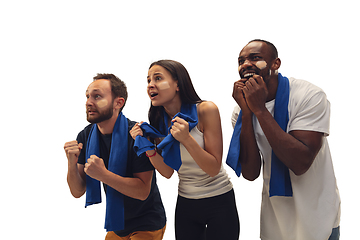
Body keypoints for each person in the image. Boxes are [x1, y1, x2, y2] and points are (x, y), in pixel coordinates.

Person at [227, 39, 341, 240]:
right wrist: (247, 113)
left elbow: (300, 163)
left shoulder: (308, 96)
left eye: (255, 58)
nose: (245, 64)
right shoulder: (241, 110)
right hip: (276, 220)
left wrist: (260, 110)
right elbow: (250, 173)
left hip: (317, 215)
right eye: (241, 61)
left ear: (275, 64)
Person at [130, 60, 239, 240]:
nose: (150, 85)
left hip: (219, 200)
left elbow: (213, 168)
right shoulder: (158, 120)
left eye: (158, 78)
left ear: (177, 84)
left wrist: (187, 139)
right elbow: (167, 171)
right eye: (148, 80)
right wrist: (146, 145)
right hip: (186, 203)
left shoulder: (206, 110)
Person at [64, 73, 166, 240]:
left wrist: (103, 175)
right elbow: (77, 191)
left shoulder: (136, 135)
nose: (89, 102)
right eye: (88, 96)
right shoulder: (86, 136)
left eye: (97, 96)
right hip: (118, 225)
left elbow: (142, 191)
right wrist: (71, 163)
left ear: (118, 103)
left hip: (148, 222)